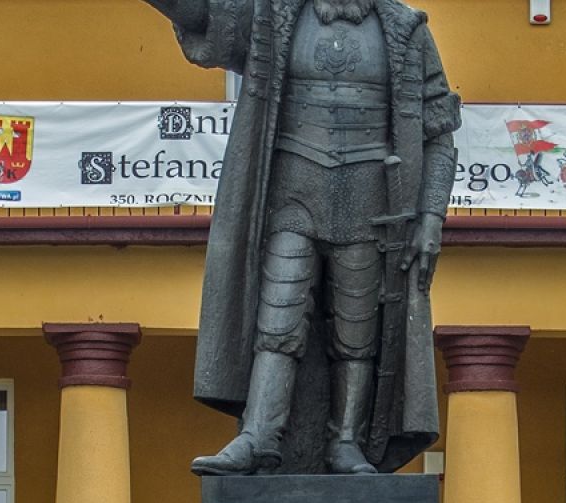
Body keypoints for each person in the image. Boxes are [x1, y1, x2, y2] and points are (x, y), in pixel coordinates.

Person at [139, 0, 461, 475]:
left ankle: (346, 442)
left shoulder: (406, 28)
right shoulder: (273, 13)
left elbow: (439, 133)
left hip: (373, 200)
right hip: (293, 189)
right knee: (278, 321)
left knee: (357, 331)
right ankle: (259, 436)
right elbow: (202, 15)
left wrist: (432, 216)